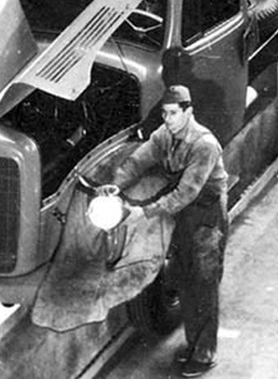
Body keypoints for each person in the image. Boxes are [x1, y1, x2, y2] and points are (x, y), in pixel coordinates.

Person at [111, 85, 229, 377]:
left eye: (174, 113)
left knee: (203, 283)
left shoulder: (204, 144)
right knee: (184, 277)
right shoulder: (165, 135)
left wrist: (144, 212)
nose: (168, 119)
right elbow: (140, 159)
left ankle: (204, 353)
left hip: (206, 215)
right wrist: (118, 184)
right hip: (184, 216)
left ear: (188, 112)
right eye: (164, 113)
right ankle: (193, 344)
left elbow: (186, 193)